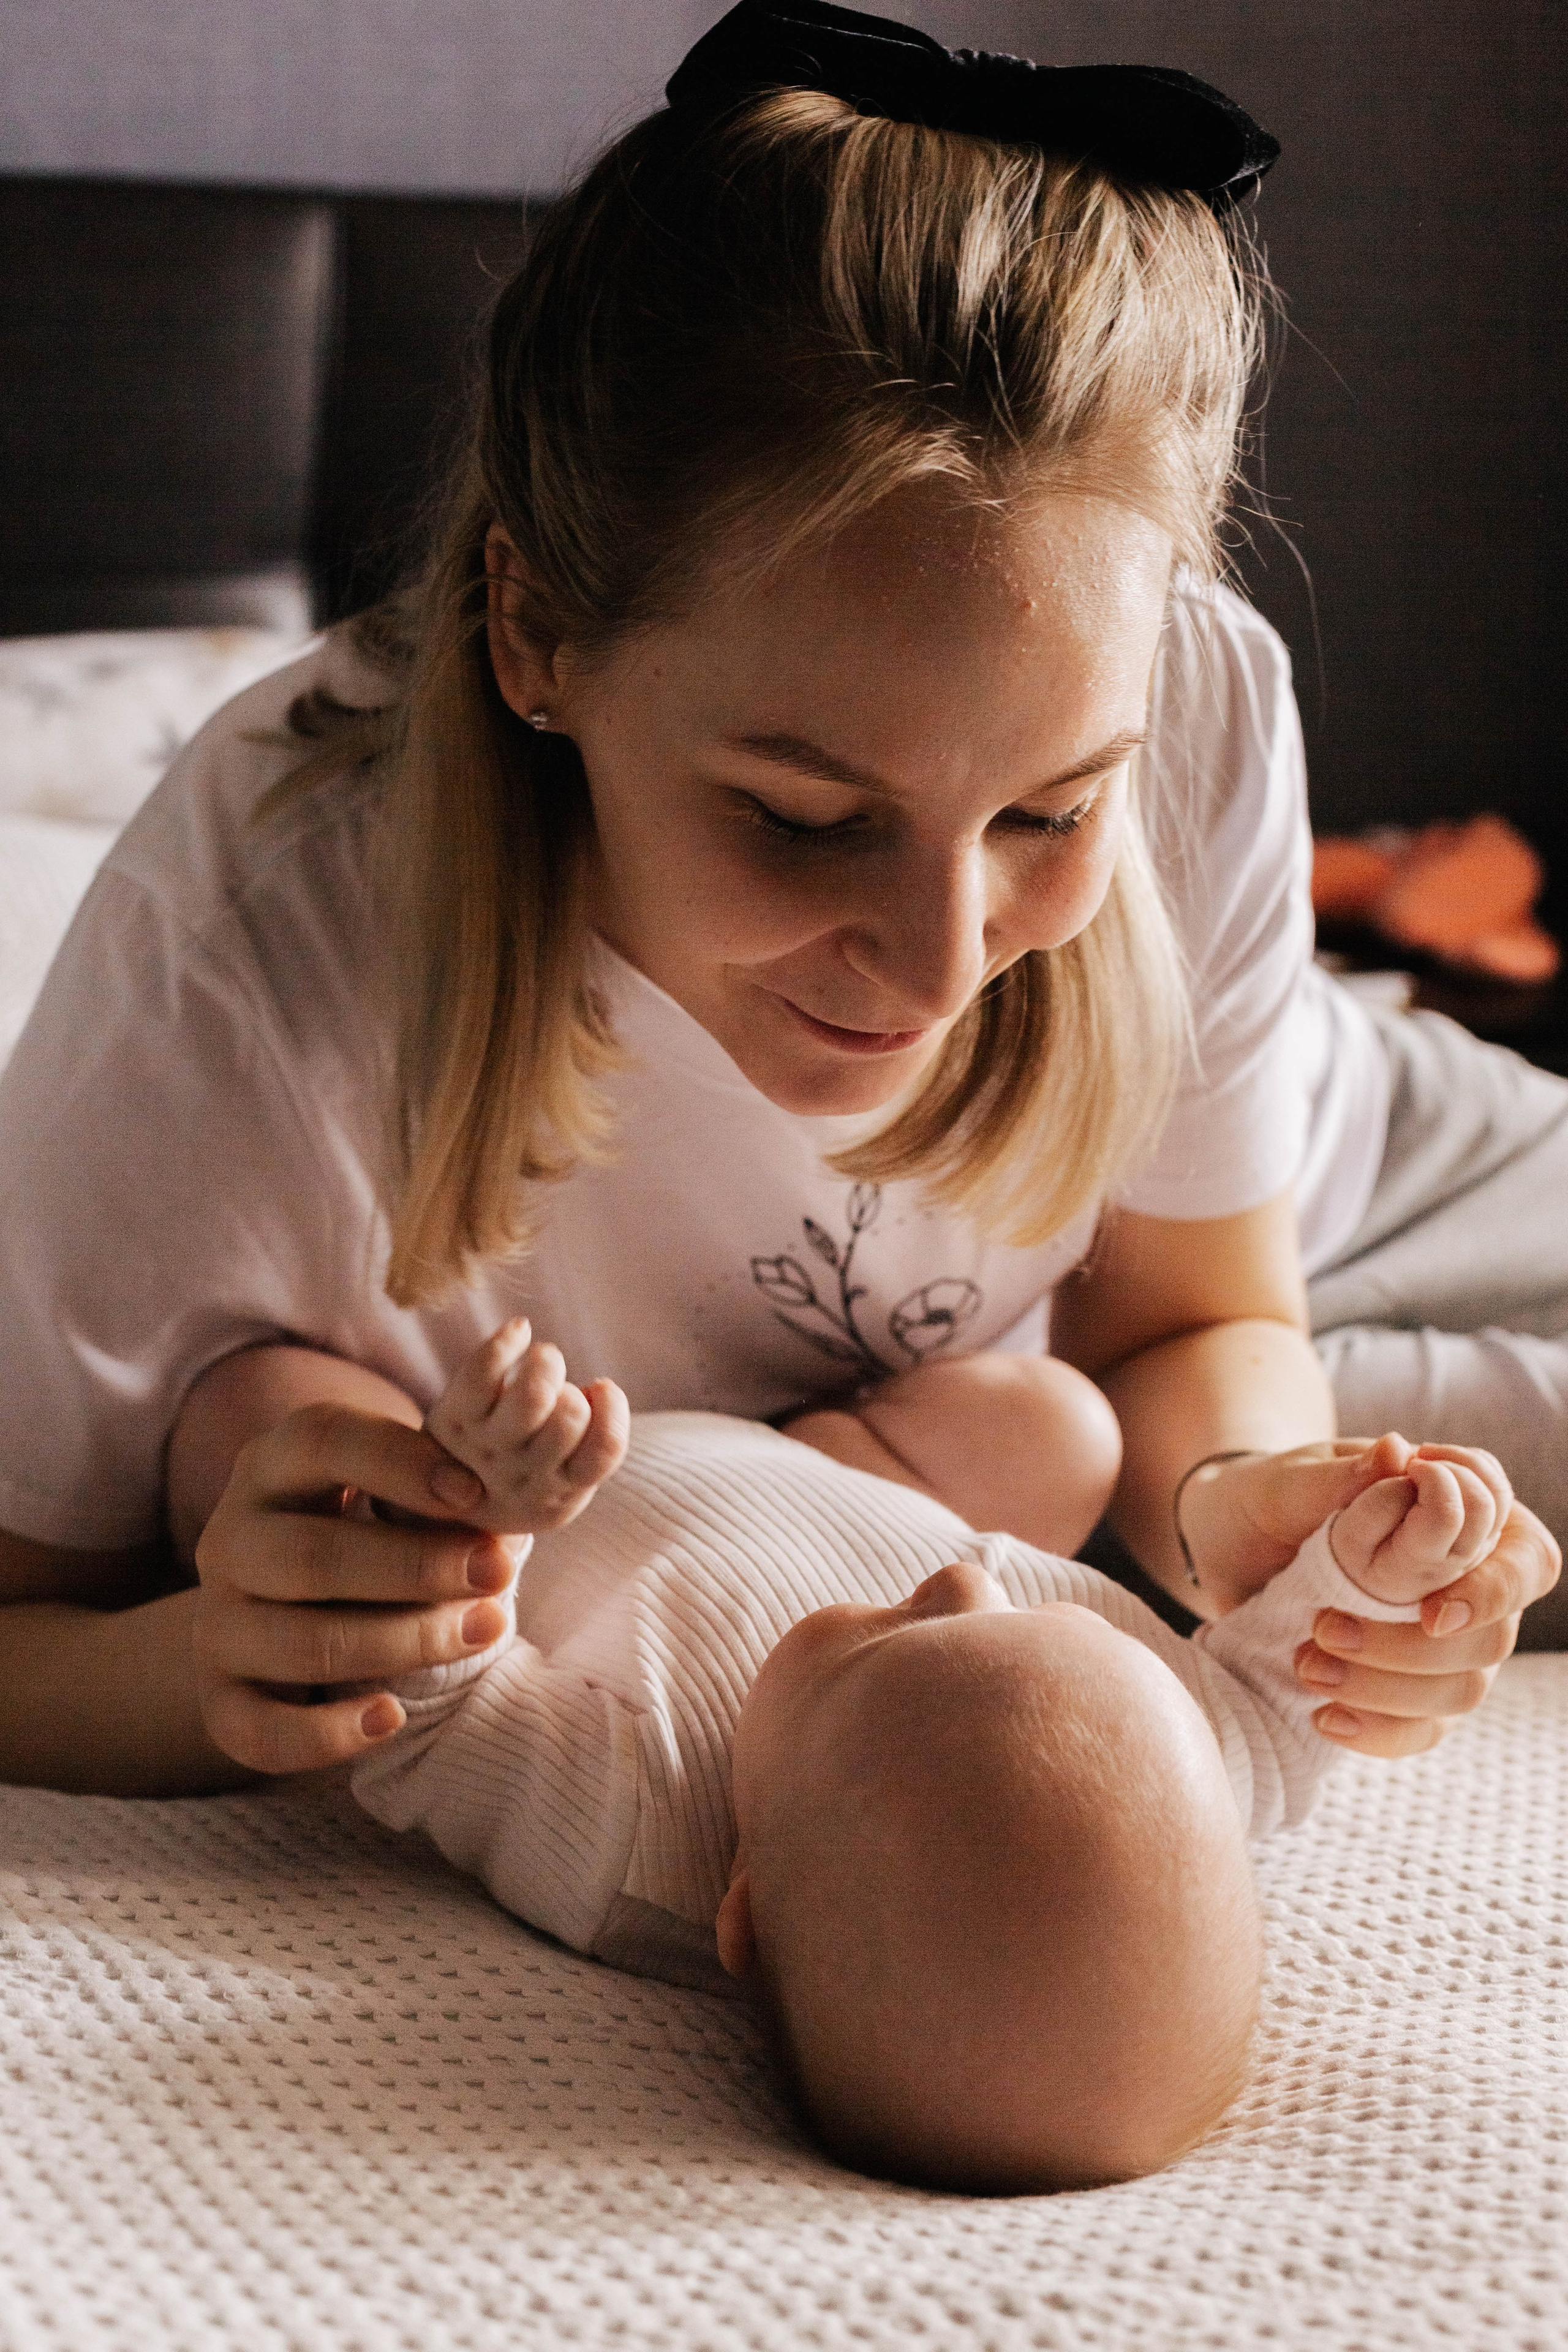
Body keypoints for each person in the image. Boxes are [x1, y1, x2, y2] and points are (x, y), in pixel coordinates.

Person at [0, 0, 1557, 1803]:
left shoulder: (1193, 691)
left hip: (1332, 1179)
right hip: (1028, 1389)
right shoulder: (245, 956)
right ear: (536, 636)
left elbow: (1192, 1315)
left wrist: (1251, 1516)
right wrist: (206, 1666)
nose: (944, 959)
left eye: (1053, 810)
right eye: (808, 819)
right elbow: (23, 1626)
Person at [345, 1313, 1514, 2192]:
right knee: (1048, 1420)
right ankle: (837, 1450)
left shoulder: (625, 1840)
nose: (969, 1580)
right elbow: (1273, 1704)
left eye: (894, 1644)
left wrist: (478, 1508)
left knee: (288, 1431)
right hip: (859, 1472)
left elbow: (430, 1708)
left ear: (744, 1908)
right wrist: (1371, 1574)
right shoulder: (1173, 1761)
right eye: (1045, 1612)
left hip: (605, 1493)